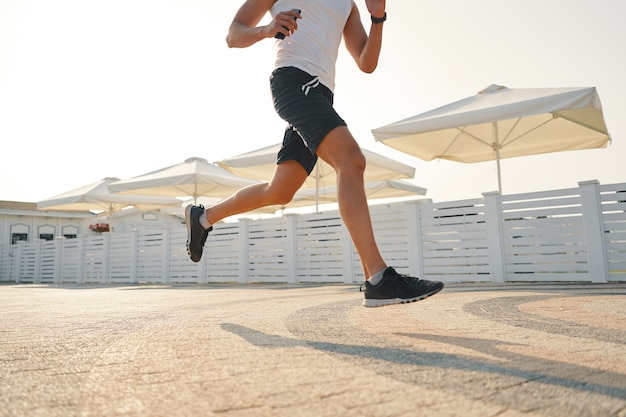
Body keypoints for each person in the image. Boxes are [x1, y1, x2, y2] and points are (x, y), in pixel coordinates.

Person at [185, 0, 444, 307]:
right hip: (293, 81)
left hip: (321, 92)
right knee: (351, 160)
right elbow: (234, 35)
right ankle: (378, 279)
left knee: (280, 190)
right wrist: (268, 29)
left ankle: (203, 217)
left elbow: (366, 62)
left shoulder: (347, 5)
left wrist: (378, 18)